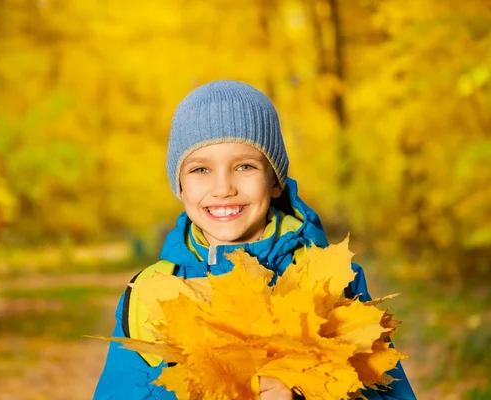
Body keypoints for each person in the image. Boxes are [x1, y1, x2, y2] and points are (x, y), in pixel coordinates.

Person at [93, 80, 416, 400]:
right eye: (200, 170)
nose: (223, 188)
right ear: (180, 187)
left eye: (245, 166)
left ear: (275, 181)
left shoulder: (327, 280)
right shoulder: (150, 294)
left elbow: (386, 390)